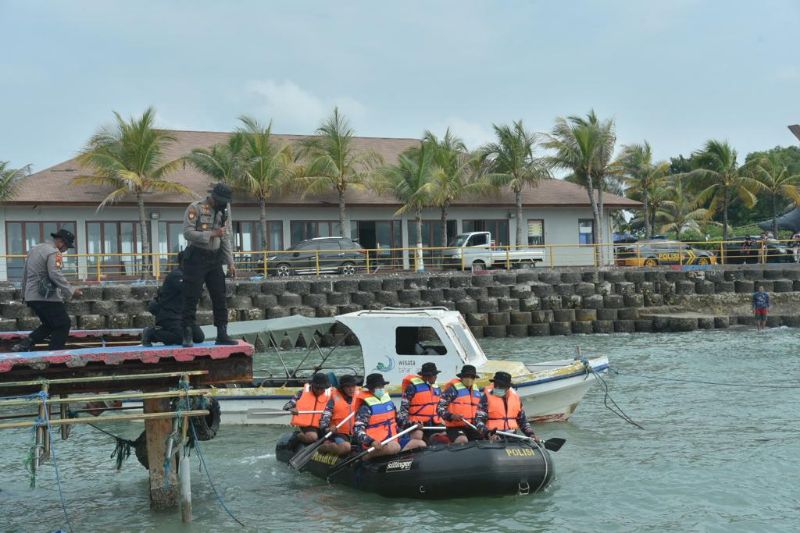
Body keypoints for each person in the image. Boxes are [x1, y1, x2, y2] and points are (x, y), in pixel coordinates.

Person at [181, 183, 237, 347]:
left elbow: (224, 237)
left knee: (220, 297)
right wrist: (212, 233)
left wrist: (230, 262)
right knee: (191, 296)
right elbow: (187, 233)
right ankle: (187, 333)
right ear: (214, 197)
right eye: (221, 201)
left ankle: (222, 333)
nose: (223, 204)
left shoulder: (222, 212)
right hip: (196, 257)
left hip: (215, 259)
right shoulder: (195, 208)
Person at [12, 229, 82, 352]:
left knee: (50, 324)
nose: (65, 250)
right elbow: (55, 274)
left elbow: (25, 273)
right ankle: (55, 355)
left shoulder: (35, 249)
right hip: (46, 296)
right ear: (61, 242)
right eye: (66, 247)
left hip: (31, 296)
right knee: (63, 324)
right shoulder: (55, 253)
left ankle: (24, 345)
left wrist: (24, 294)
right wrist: (71, 290)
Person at [352, 373, 426, 459]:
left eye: (382, 386)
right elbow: (358, 430)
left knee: (420, 444)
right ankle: (366, 457)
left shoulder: (388, 402)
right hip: (377, 444)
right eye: (378, 387)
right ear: (371, 388)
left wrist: (413, 425)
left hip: (393, 439)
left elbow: (399, 420)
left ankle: (397, 461)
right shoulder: (365, 407)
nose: (381, 389)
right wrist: (371, 441)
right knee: (395, 447)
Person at [142, 251, 205, 346]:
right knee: (181, 337)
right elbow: (189, 290)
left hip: (183, 316)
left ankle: (168, 334)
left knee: (199, 337)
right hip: (169, 315)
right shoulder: (176, 275)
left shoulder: (190, 276)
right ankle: (151, 334)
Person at [475, 371, 538, 442]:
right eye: (496, 385)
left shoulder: (516, 398)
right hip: (494, 437)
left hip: (512, 436)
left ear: (508, 387)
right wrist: (488, 433)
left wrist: (531, 434)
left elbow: (523, 421)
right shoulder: (486, 398)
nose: (497, 387)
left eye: (501, 386)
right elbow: (478, 420)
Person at [437, 364, 483, 444]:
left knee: (482, 439)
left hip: (471, 426)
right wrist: (451, 416)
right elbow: (439, 408)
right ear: (461, 377)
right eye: (467, 376)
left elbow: (481, 412)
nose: (469, 379)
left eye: (472, 377)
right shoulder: (452, 390)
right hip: (455, 427)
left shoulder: (477, 392)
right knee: (462, 440)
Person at [398, 362, 443, 441]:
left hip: (434, 422)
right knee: (418, 436)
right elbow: (403, 410)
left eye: (436, 375)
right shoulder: (412, 388)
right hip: (417, 423)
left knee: (445, 435)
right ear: (427, 376)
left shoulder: (436, 388)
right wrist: (409, 424)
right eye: (434, 375)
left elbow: (441, 407)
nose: (436, 377)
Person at [283, 373, 332, 444]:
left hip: (324, 425)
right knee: (313, 437)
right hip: (307, 426)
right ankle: (297, 435)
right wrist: (291, 409)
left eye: (322, 388)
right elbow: (287, 406)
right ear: (312, 385)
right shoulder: (301, 393)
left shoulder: (331, 395)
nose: (319, 391)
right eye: (317, 388)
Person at [318, 374, 360, 456]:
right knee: (346, 447)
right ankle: (326, 447)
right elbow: (325, 417)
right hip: (338, 433)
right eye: (348, 387)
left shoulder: (359, 397)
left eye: (353, 386)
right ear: (342, 388)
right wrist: (327, 429)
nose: (351, 389)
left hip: (355, 432)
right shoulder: (333, 399)